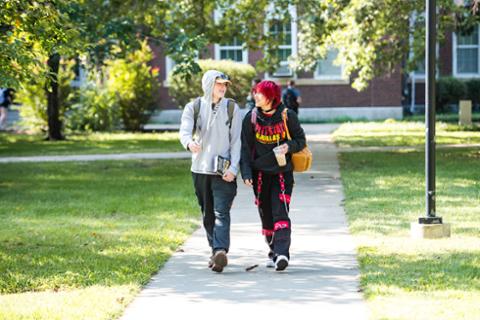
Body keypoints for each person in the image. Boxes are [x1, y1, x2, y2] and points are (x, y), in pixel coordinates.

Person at [179, 70, 242, 273]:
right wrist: (189, 143)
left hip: (223, 172)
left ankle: (220, 250)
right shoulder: (194, 107)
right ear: (208, 85)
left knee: (221, 212)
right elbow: (185, 131)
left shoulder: (232, 108)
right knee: (207, 215)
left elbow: (237, 141)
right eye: (219, 84)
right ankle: (214, 253)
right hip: (200, 169)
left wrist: (234, 168)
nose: (223, 88)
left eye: (225, 84)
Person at [240, 80, 306, 271]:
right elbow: (245, 148)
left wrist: (289, 146)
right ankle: (273, 251)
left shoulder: (287, 115)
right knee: (266, 215)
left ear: (271, 97)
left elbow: (301, 140)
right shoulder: (251, 118)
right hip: (259, 175)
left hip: (282, 173)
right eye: (255, 93)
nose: (256, 96)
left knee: (280, 211)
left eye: (260, 93)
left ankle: (282, 253)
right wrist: (245, 173)